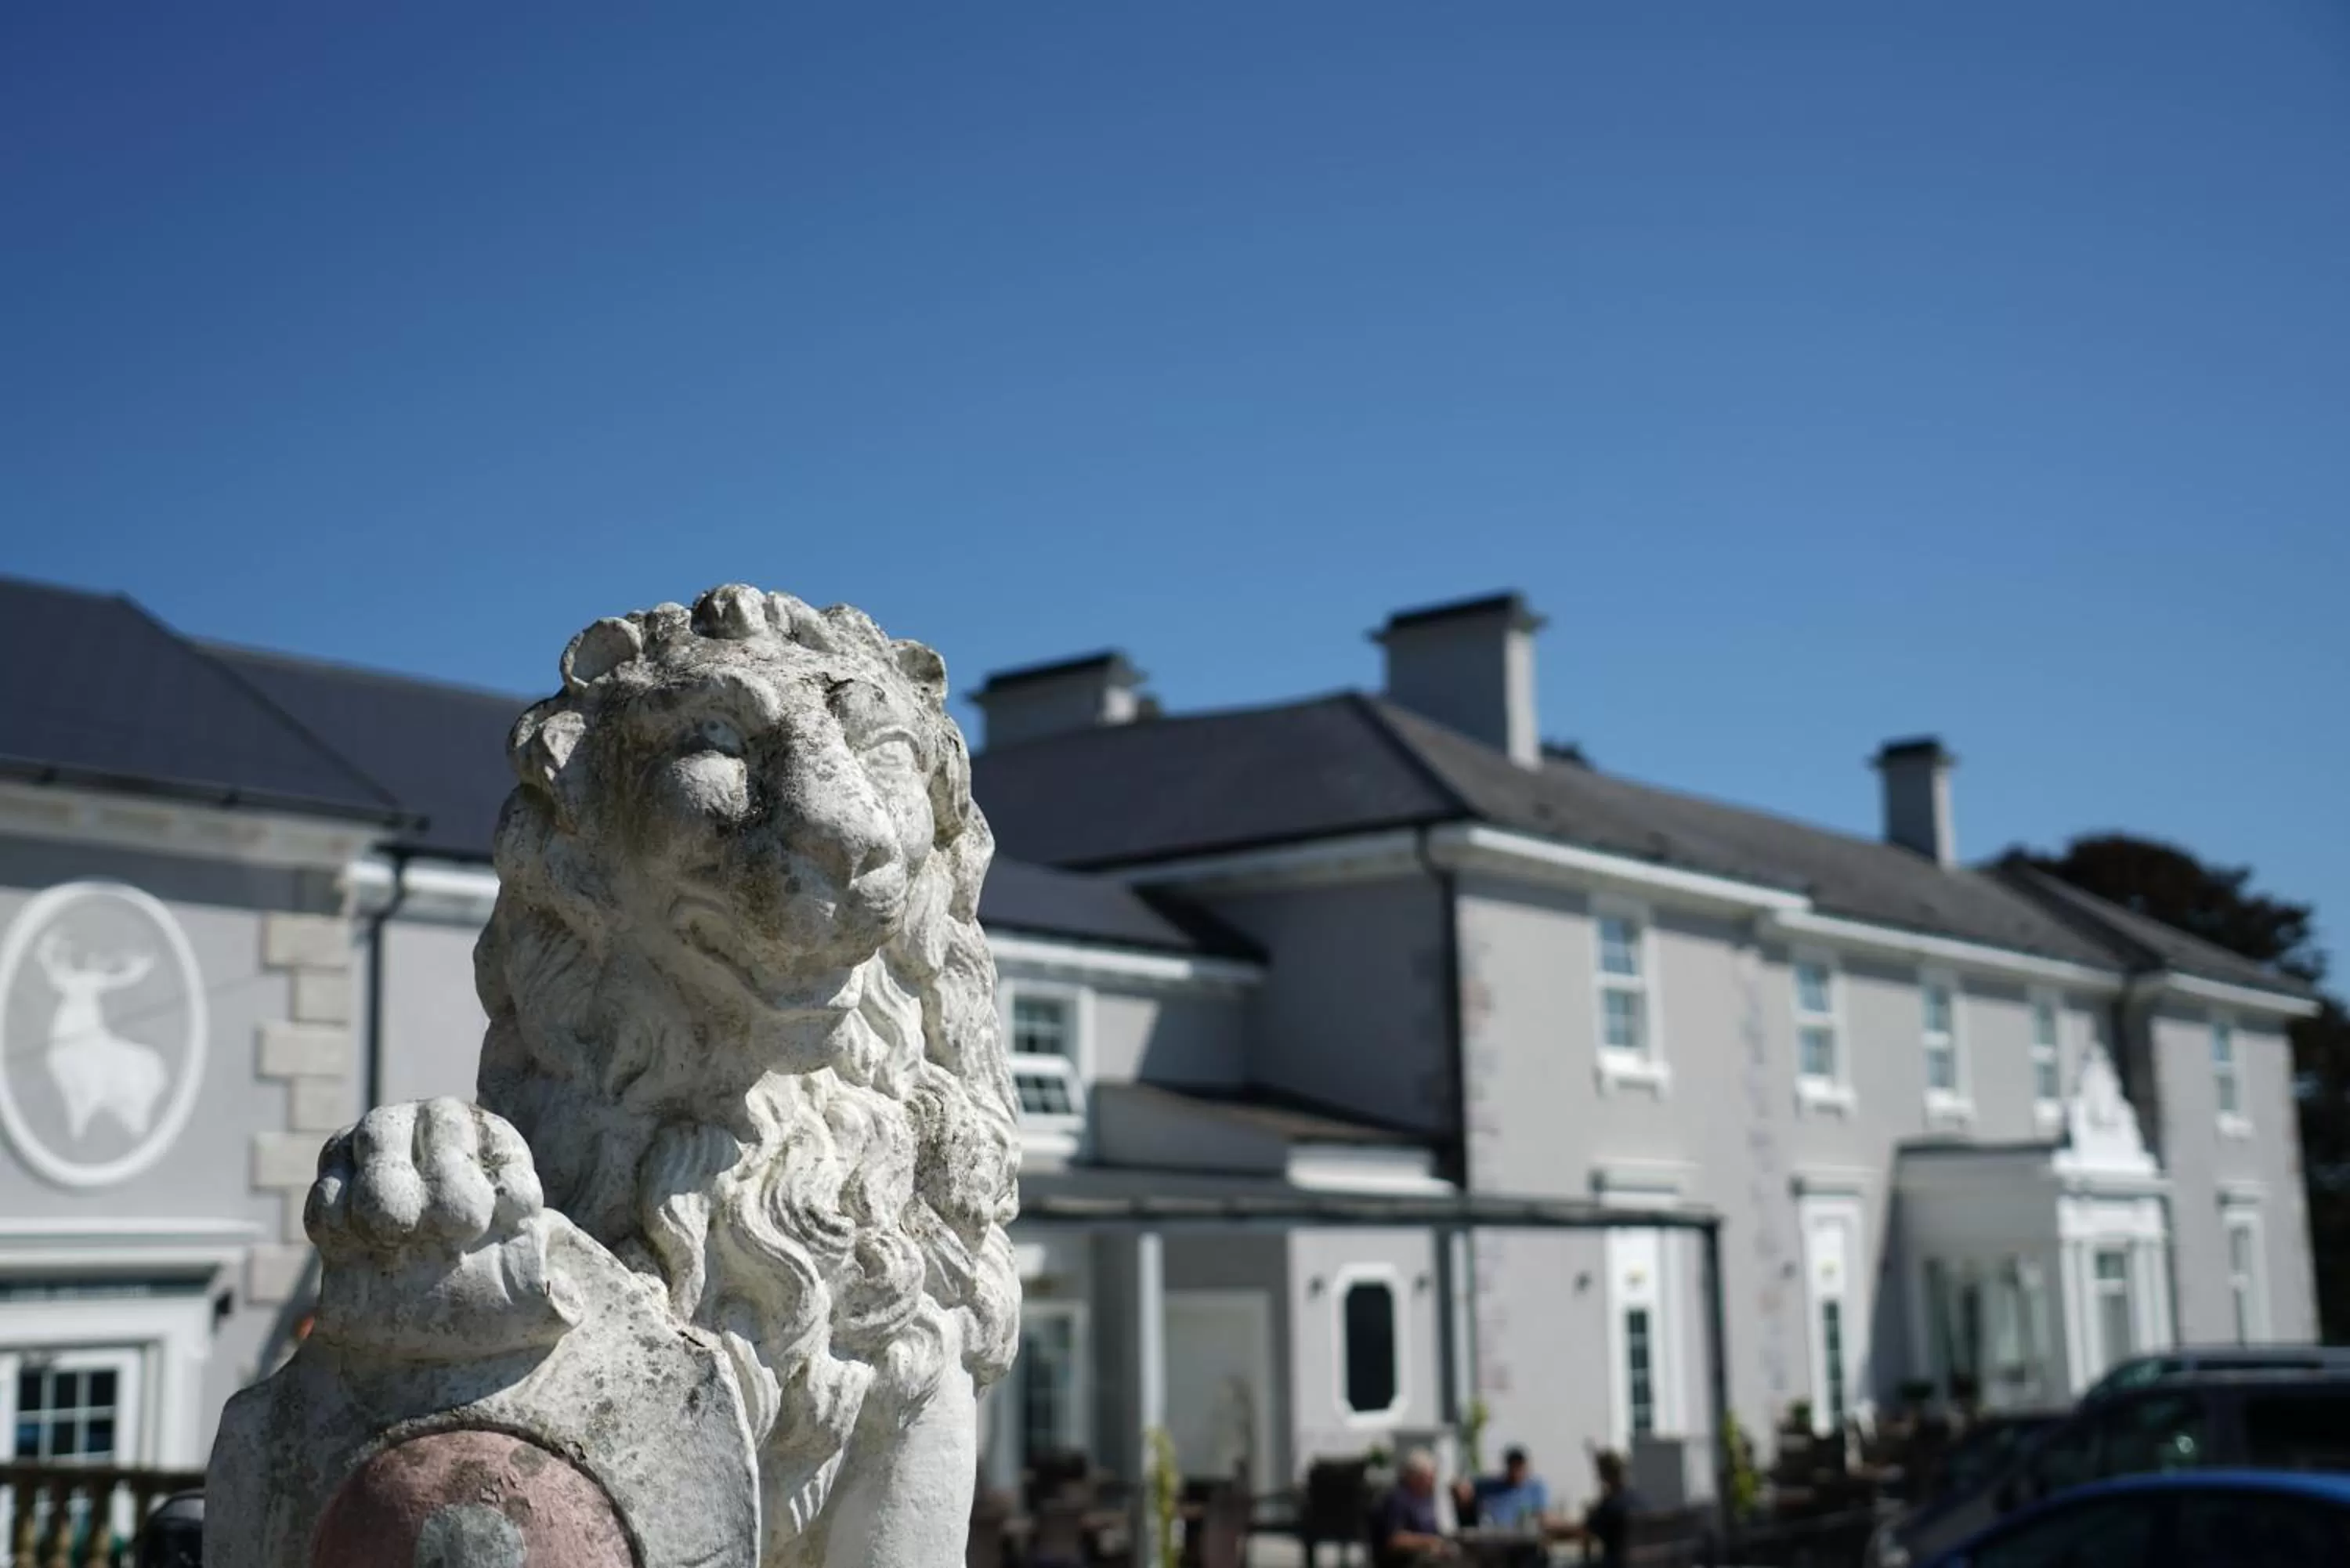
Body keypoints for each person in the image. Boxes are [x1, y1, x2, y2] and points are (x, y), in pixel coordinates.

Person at [1551, 1450, 1643, 1568]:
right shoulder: (1638, 1500)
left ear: (1604, 1475)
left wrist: (1555, 1527)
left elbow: (1583, 1531)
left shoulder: (1611, 1504)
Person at [1375, 1450, 1456, 1568]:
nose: (1432, 1482)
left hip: (1430, 1557)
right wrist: (1429, 1542)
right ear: (1413, 1476)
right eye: (1427, 1478)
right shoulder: (1398, 1499)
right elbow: (1395, 1540)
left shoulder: (1427, 1497)